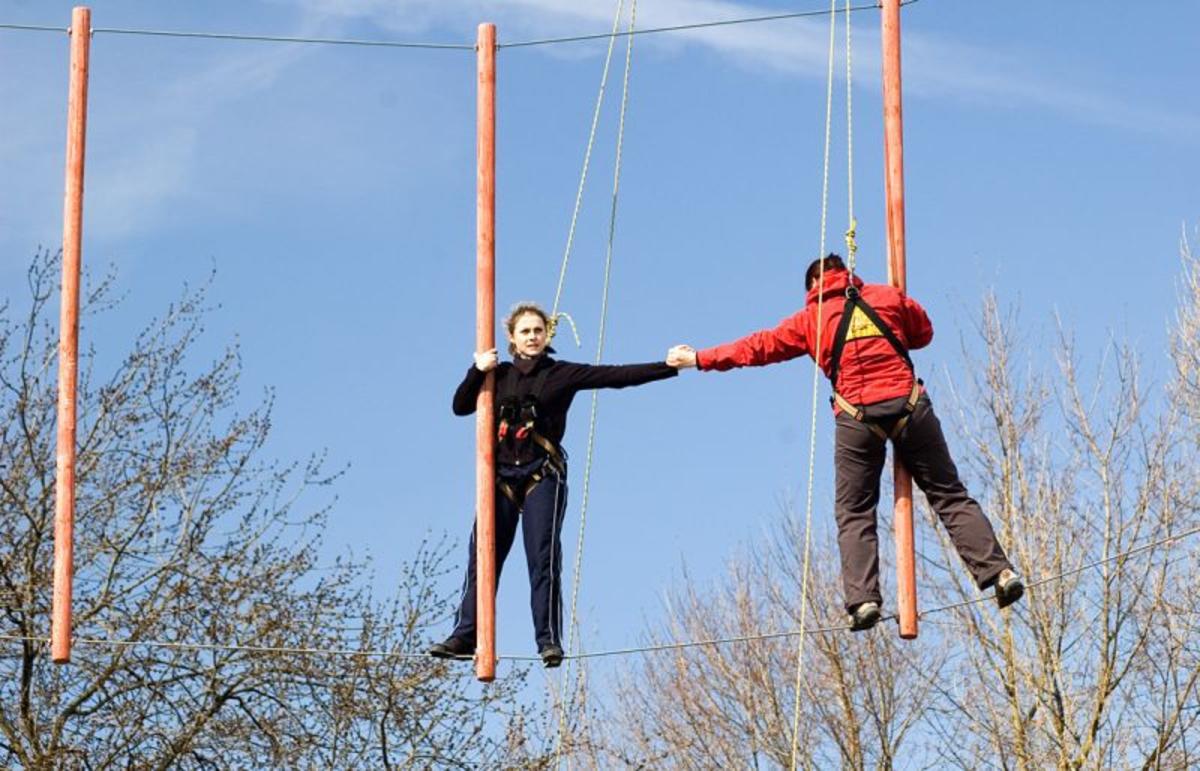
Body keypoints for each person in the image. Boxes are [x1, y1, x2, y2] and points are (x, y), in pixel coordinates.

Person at [666, 254, 1024, 631]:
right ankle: (1000, 573)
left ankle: (864, 600)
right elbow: (924, 334)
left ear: (812, 287)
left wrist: (699, 359)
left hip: (857, 419)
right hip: (910, 407)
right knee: (949, 495)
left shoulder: (810, 319)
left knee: (855, 511)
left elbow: (757, 348)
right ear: (848, 273)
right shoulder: (888, 296)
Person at [431, 301, 682, 666]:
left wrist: (667, 367)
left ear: (547, 334)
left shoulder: (562, 374)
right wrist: (476, 369)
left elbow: (615, 376)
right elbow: (460, 406)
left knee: (543, 558)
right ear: (512, 338)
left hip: (541, 474)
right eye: (525, 332)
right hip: (500, 478)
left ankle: (548, 638)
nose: (532, 337)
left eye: (538, 331)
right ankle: (465, 634)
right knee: (483, 557)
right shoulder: (496, 375)